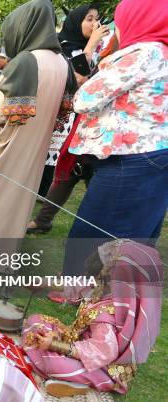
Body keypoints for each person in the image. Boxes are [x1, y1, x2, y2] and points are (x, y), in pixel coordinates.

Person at [62, 0, 167, 276]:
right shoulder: (164, 53)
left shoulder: (142, 53)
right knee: (139, 228)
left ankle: (80, 289)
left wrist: (106, 64)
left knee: (94, 228)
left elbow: (84, 99)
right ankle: (119, 296)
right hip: (156, 154)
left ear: (137, 20)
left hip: (129, 158)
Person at [0, 0, 75, 262]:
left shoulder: (26, 61)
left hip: (3, 149)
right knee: (16, 206)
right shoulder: (62, 63)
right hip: (34, 149)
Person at [23, 240, 163, 396]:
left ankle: (83, 384)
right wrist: (44, 283)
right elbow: (77, 285)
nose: (94, 281)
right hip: (82, 344)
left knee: (54, 363)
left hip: (103, 367)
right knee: (35, 320)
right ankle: (70, 379)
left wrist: (55, 345)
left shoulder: (108, 314)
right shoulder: (108, 288)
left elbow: (103, 352)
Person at [30, 4, 110, 230]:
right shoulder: (63, 48)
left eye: (96, 19)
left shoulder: (88, 49)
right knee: (69, 169)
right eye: (89, 19)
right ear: (76, 22)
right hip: (66, 120)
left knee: (73, 170)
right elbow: (79, 79)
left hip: (86, 121)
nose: (95, 24)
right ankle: (44, 220)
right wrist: (92, 44)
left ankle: (43, 221)